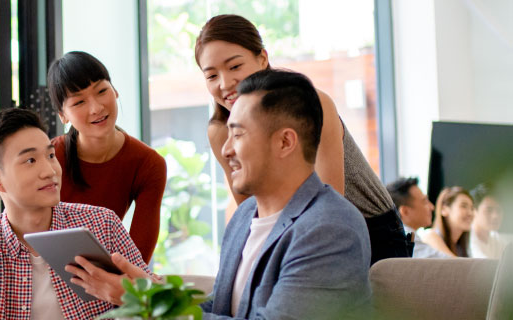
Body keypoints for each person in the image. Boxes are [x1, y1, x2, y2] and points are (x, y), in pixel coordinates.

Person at [66, 70, 372, 319]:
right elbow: (220, 311)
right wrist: (148, 291)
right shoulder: (244, 216)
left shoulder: (329, 228)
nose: (226, 150)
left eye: (238, 134)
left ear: (285, 142)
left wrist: (148, 303)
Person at [195, 14, 410, 264]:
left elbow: (332, 208)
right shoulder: (221, 131)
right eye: (211, 76)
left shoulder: (312, 105)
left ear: (262, 59)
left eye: (234, 67)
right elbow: (253, 214)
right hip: (289, 237)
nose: (225, 84)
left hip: (368, 228)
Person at [0, 108, 150, 320]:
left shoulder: (101, 223)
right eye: (30, 160)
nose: (50, 171)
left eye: (51, 155)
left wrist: (133, 297)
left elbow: (163, 300)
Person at [47, 51, 167, 262]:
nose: (96, 108)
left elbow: (137, 261)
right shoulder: (49, 157)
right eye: (79, 102)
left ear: (115, 91)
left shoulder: (148, 164)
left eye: (102, 91)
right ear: (63, 115)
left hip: (109, 276)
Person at [386, 177, 450, 258]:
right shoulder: (405, 238)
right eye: (425, 201)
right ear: (405, 211)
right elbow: (449, 265)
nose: (432, 207)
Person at [419, 187, 474, 257]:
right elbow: (458, 266)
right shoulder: (430, 236)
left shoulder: (460, 247)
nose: (470, 213)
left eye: (472, 208)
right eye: (463, 206)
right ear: (444, 209)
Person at [469, 184, 509, 259]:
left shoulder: (496, 239)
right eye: (489, 210)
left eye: (499, 210)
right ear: (474, 210)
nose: (495, 216)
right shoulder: (466, 240)